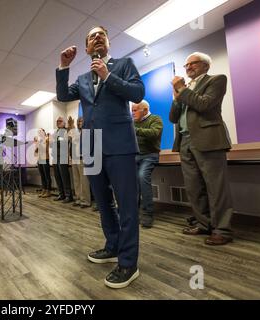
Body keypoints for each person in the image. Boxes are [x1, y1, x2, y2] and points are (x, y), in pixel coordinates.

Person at [56, 26, 145, 288]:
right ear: (85, 49)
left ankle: (128, 263)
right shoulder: (82, 79)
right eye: (91, 36)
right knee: (103, 203)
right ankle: (113, 246)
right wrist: (63, 66)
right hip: (92, 145)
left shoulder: (124, 64)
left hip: (120, 144)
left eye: (101, 35)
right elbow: (63, 96)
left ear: (107, 42)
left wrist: (107, 76)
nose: (96, 38)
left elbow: (138, 94)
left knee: (127, 205)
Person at [170, 52, 233, 245]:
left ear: (205, 65)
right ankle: (204, 224)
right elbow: (173, 118)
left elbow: (204, 105)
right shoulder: (185, 89)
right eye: (186, 65)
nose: (188, 67)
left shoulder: (216, 80)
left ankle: (222, 229)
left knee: (216, 187)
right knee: (193, 187)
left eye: (193, 64)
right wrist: (176, 97)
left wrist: (182, 89)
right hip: (185, 142)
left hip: (208, 139)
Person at [132, 100, 163, 228]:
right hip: (134, 156)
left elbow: (155, 134)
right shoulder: (133, 123)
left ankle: (148, 213)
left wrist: (135, 130)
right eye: (132, 110)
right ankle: (133, 213)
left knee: (142, 176)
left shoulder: (155, 119)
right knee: (131, 183)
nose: (132, 113)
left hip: (150, 155)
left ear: (144, 110)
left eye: (135, 110)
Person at [70, 117, 91, 208]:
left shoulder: (87, 132)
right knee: (76, 180)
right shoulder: (76, 133)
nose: (79, 123)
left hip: (83, 158)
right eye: (78, 121)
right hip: (75, 158)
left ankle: (85, 200)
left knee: (84, 181)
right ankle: (78, 198)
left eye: (81, 121)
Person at [52, 116, 73, 203]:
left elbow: (65, 141)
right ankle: (61, 194)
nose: (58, 122)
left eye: (60, 121)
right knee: (58, 177)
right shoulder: (56, 132)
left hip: (63, 157)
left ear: (64, 123)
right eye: (57, 121)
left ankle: (69, 196)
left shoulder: (66, 131)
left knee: (64, 177)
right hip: (55, 157)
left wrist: (57, 139)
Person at [34, 129, 52, 198]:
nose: (39, 132)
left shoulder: (46, 139)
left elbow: (45, 148)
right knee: (42, 176)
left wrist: (39, 144)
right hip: (40, 159)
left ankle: (48, 191)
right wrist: (36, 145)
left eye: (41, 131)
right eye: (38, 131)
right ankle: (43, 189)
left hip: (45, 159)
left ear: (44, 132)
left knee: (47, 176)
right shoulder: (39, 141)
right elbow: (35, 152)